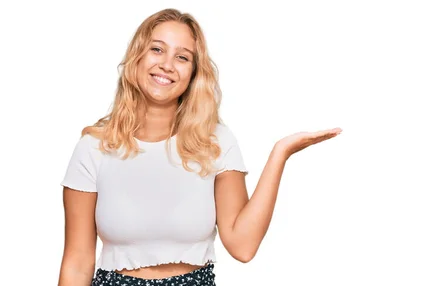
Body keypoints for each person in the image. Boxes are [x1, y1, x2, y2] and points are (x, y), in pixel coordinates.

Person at [57, 8, 342, 286]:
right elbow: (77, 262)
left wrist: (281, 153)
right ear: (137, 58)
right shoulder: (94, 147)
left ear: (194, 73)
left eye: (182, 57)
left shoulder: (215, 141)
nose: (167, 64)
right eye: (157, 50)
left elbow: (243, 246)